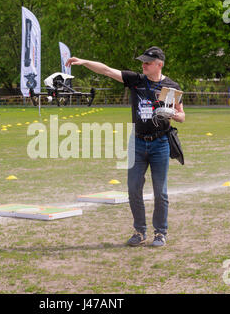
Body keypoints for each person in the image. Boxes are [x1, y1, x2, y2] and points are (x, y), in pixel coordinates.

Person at [66, 46, 185, 247]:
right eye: (143, 61)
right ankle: (140, 232)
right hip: (137, 142)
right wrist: (84, 62)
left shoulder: (170, 87)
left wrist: (170, 113)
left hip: (160, 143)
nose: (143, 65)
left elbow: (182, 116)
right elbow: (107, 70)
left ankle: (160, 233)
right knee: (133, 189)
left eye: (148, 62)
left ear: (159, 65)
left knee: (160, 191)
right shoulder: (136, 80)